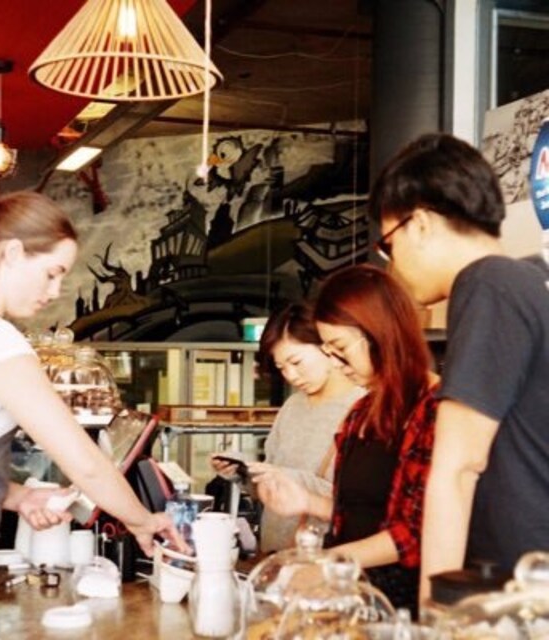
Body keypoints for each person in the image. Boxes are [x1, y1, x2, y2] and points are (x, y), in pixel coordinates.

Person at [0, 192, 184, 640]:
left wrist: (18, 496)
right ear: (13, 253)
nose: (55, 292)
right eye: (52, 273)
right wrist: (143, 521)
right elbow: (84, 462)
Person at [368, 132, 549, 603]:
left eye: (388, 245)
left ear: (419, 224)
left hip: (517, 596)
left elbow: (458, 466)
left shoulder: (488, 283)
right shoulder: (531, 282)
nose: (393, 264)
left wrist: (436, 615)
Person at [251, 265, 439, 614]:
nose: (336, 363)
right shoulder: (360, 412)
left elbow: (415, 533)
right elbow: (359, 512)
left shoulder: (433, 408)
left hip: (398, 607)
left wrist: (328, 563)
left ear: (378, 332)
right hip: (349, 596)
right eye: (328, 349)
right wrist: (306, 501)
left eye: (339, 347)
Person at [212, 303, 364, 552]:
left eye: (296, 362)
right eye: (282, 368)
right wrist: (244, 472)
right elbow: (271, 487)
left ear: (327, 347)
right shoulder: (292, 406)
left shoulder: (362, 408)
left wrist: (284, 476)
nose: (291, 376)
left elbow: (362, 505)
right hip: (276, 552)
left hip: (325, 557)